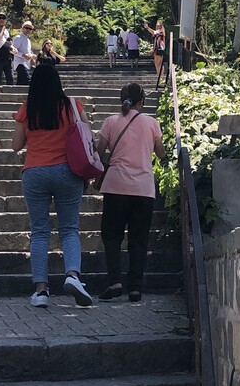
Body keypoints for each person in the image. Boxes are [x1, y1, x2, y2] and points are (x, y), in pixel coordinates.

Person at [11, 64, 93, 309]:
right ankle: (73, 276)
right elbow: (88, 134)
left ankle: (41, 291)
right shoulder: (72, 105)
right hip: (68, 171)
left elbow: (16, 145)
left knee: (39, 232)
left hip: (35, 172)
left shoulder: (28, 109)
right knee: (69, 229)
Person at [95, 81, 166, 303]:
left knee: (111, 236)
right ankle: (135, 288)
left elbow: (99, 152)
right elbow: (161, 154)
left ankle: (114, 280)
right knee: (139, 239)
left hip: (115, 187)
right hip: (143, 189)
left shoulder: (110, 122)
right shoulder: (151, 122)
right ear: (142, 100)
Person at [10, 20, 36, 85]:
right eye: (26, 28)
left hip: (26, 64)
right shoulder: (19, 37)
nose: (28, 30)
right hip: (19, 63)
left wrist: (32, 56)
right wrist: (23, 55)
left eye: (30, 28)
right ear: (23, 28)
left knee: (20, 83)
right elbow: (12, 50)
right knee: (28, 81)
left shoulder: (28, 40)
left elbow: (27, 52)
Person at [144, 19, 166, 84]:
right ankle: (161, 78)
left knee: (157, 64)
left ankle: (160, 78)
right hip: (160, 49)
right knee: (160, 64)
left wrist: (147, 28)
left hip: (159, 49)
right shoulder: (161, 33)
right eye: (156, 25)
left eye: (158, 25)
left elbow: (153, 32)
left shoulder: (160, 32)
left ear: (160, 26)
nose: (156, 26)